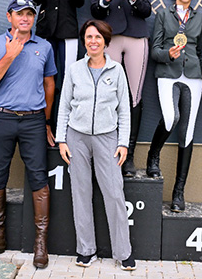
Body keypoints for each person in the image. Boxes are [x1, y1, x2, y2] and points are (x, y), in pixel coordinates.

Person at [0, 0, 56, 269]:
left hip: (33, 120)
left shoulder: (44, 46)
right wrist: (10, 55)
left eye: (29, 14)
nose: (25, 18)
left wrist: (45, 122)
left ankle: (40, 244)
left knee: (38, 178)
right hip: (1, 118)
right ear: (9, 16)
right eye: (19, 14)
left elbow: (49, 84)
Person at [56, 19, 136, 271]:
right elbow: (64, 106)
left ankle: (123, 252)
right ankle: (85, 250)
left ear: (106, 42)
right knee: (80, 194)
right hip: (76, 137)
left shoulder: (117, 70)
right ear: (84, 41)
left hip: (107, 138)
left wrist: (123, 143)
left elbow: (125, 110)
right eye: (89, 37)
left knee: (114, 193)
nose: (93, 41)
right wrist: (62, 139)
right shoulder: (74, 69)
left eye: (98, 37)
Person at [89, 0, 151, 177]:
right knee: (107, 94)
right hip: (110, 37)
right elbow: (94, 9)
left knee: (134, 96)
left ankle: (129, 154)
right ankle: (107, 150)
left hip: (136, 36)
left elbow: (147, 10)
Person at [146, 0, 202, 213]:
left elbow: (199, 49)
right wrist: (167, 54)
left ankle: (178, 192)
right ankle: (153, 155)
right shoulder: (162, 14)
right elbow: (154, 50)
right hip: (167, 72)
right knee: (171, 118)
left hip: (192, 75)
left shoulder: (200, 18)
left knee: (188, 130)